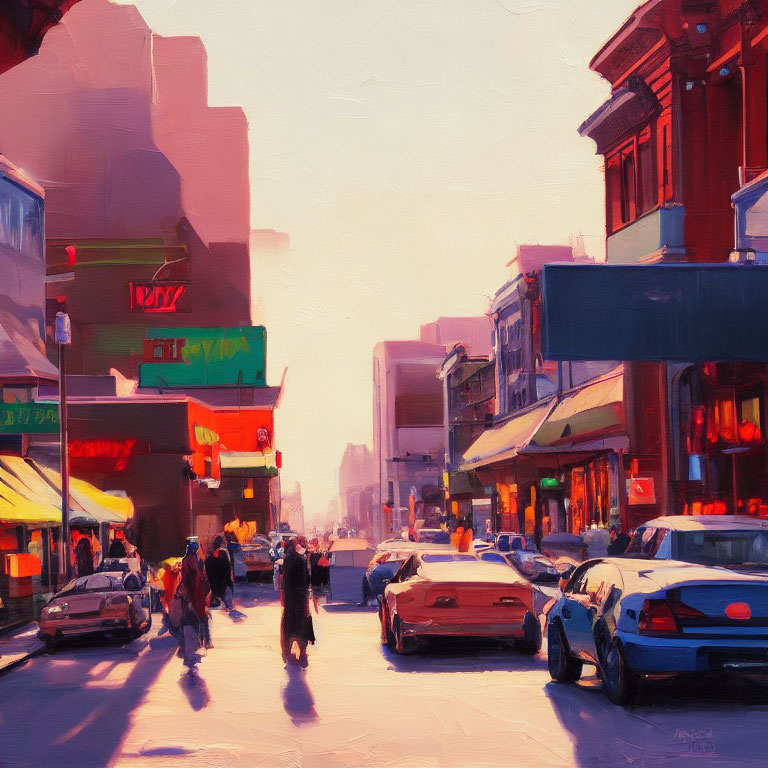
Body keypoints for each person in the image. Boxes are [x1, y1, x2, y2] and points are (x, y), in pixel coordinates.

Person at [280, 538, 316, 668]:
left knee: (290, 620)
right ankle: (302, 647)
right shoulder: (301, 560)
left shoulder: (286, 561)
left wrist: (283, 596)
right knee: (302, 619)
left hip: (290, 596)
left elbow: (284, 581)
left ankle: (289, 645)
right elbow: (306, 578)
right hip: (300, 595)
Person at [205, 535, 234, 610]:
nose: (226, 542)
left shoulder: (211, 552)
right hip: (222, 581)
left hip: (215, 581)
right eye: (225, 541)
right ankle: (228, 605)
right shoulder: (223, 552)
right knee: (228, 590)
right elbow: (226, 567)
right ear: (222, 543)